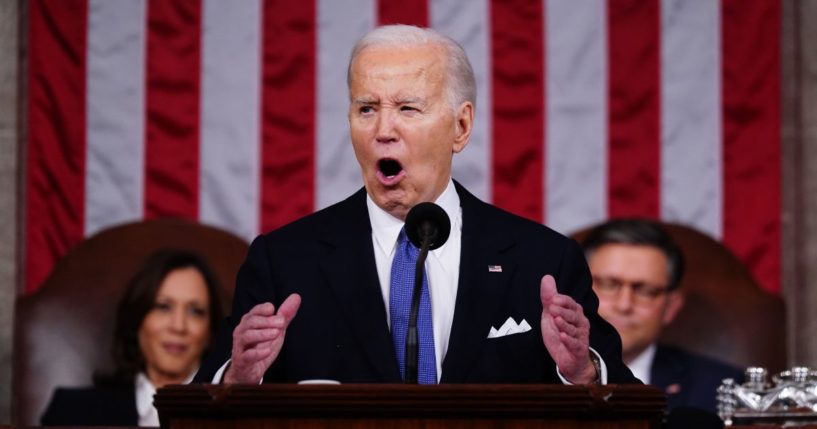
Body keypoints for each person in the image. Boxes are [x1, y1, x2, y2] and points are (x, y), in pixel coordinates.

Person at [194, 24, 638, 386]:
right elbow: (201, 401)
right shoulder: (285, 261)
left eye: (408, 108)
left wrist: (581, 371)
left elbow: (629, 403)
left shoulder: (542, 260)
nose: (383, 129)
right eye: (366, 109)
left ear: (460, 126)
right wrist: (238, 379)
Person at [41, 250, 224, 426]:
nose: (178, 326)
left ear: (210, 332)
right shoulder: (72, 412)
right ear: (138, 321)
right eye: (163, 307)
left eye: (195, 311)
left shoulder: (233, 418)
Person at [581, 219, 744, 413]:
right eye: (609, 285)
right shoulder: (536, 374)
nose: (624, 305)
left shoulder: (720, 390)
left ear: (670, 307)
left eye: (645, 291)